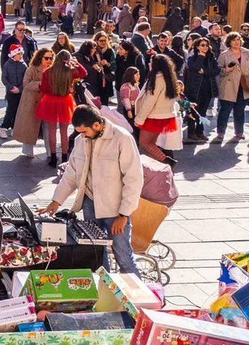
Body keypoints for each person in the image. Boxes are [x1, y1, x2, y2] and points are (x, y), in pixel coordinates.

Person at [44, 105, 144, 273]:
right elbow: (71, 173)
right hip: (90, 203)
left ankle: (138, 297)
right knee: (96, 254)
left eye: (84, 132)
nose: (82, 136)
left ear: (97, 126)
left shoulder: (122, 139)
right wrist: (56, 201)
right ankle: (104, 292)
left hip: (115, 209)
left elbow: (134, 179)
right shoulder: (80, 141)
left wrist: (124, 214)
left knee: (123, 256)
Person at [133, 53, 178, 164]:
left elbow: (150, 101)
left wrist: (139, 119)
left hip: (154, 116)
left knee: (144, 143)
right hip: (164, 115)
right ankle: (156, 167)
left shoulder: (157, 79)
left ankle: (167, 161)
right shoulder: (169, 78)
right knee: (151, 143)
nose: (149, 64)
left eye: (151, 62)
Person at [215, 32, 249, 142]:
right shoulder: (224, 54)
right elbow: (218, 70)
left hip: (243, 86)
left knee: (240, 110)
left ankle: (239, 132)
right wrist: (226, 70)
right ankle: (221, 132)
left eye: (238, 39)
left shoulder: (247, 52)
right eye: (234, 40)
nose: (236, 42)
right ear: (229, 42)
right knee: (225, 110)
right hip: (228, 86)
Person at [181, 38, 217, 133]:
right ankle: (191, 132)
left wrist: (205, 72)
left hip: (208, 89)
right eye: (202, 45)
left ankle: (200, 132)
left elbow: (216, 70)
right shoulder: (192, 58)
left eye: (206, 45)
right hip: (195, 89)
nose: (205, 47)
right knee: (193, 111)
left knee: (203, 112)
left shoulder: (211, 57)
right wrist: (201, 56)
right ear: (197, 47)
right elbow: (195, 67)